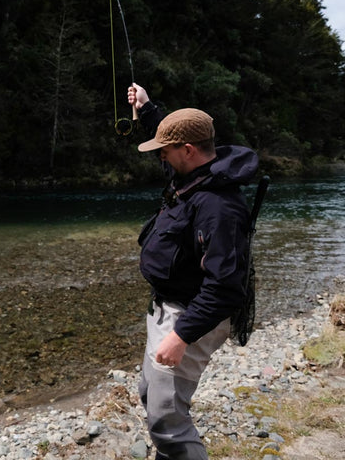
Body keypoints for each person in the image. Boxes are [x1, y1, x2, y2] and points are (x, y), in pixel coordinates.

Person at [128, 84, 258, 460]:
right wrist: (148, 107)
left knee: (166, 417)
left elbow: (225, 288)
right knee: (151, 395)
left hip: (190, 317)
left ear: (187, 150)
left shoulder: (220, 207)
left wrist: (181, 336)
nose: (161, 158)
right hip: (167, 308)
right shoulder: (192, 175)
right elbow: (166, 143)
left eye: (166, 151)